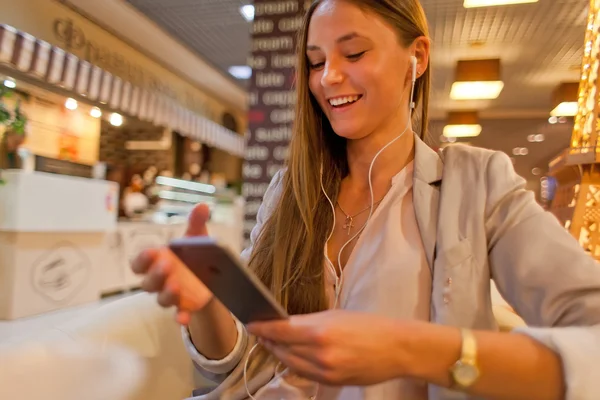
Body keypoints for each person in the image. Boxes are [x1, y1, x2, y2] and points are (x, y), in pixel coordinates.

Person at [131, 0, 600, 399]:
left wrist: (412, 349)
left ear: (416, 57)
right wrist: (207, 303)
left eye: (353, 53)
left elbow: (591, 341)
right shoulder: (288, 191)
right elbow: (241, 367)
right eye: (315, 62)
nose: (329, 77)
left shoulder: (477, 183)